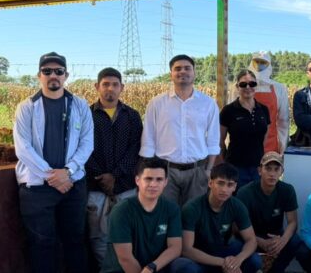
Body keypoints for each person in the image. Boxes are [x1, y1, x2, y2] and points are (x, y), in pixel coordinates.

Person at [13, 52, 94, 272]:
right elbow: (23, 148)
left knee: (75, 241)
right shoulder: (27, 107)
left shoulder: (79, 106)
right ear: (39, 75)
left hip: (72, 185)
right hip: (37, 189)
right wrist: (53, 176)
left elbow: (87, 143)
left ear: (66, 75)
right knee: (42, 244)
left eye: (58, 71)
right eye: (47, 71)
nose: (53, 76)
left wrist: (68, 172)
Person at [141, 54, 220, 206]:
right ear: (171, 74)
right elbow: (148, 138)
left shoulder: (208, 104)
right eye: (177, 69)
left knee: (193, 217)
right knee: (165, 215)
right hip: (165, 171)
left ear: (194, 73)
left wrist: (208, 170)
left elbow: (213, 139)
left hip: (197, 171)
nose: (182, 72)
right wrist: (150, 171)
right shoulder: (156, 103)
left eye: (187, 68)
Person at [86, 67, 144, 263]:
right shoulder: (86, 114)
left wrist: (116, 175)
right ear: (97, 87)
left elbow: (136, 147)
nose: (110, 88)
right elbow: (83, 149)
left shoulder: (132, 116)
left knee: (126, 232)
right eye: (105, 84)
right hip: (95, 185)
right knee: (98, 235)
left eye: (115, 84)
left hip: (125, 185)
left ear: (122, 88)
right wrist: (102, 176)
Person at [100, 158, 193, 273]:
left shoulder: (172, 209)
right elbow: (125, 259)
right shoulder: (121, 210)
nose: (153, 184)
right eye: (148, 179)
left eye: (159, 179)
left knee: (185, 265)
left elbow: (175, 248)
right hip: (124, 270)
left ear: (165, 182)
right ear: (137, 180)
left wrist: (152, 267)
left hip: (154, 269)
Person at [177, 163, 262, 273]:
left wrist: (237, 260)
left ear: (235, 187)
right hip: (199, 257)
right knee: (185, 267)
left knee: (255, 260)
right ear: (210, 183)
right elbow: (187, 250)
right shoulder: (192, 208)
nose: (224, 189)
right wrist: (223, 262)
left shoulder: (237, 206)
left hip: (223, 250)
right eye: (220, 183)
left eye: (230, 185)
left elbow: (251, 240)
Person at [235, 152, 302, 273]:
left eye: (276, 169)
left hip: (275, 235)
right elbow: (236, 227)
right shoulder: (245, 192)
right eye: (268, 168)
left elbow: (293, 222)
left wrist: (282, 241)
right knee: (251, 258)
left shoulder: (287, 190)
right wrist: (260, 241)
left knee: (296, 241)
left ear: (282, 172)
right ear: (259, 171)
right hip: (250, 235)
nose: (272, 174)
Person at [219, 69, 270, 187]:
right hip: (236, 167)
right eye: (243, 84)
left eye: (252, 84)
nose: (248, 87)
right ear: (237, 86)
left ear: (256, 86)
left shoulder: (263, 110)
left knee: (255, 202)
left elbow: (264, 138)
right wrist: (225, 163)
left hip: (258, 168)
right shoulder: (228, 111)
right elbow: (220, 140)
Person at [247, 51, 290, 154]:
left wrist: (283, 148)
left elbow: (283, 121)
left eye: (263, 62)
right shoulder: (240, 87)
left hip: (270, 146)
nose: (259, 65)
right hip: (244, 146)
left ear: (269, 65)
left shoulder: (279, 88)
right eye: (256, 62)